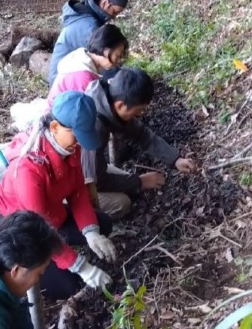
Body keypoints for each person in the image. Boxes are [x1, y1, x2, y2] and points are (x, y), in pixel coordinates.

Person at [0, 91, 116, 301]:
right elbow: (39, 228)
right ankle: (50, 264)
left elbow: (77, 191)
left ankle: (65, 252)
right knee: (70, 285)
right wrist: (81, 266)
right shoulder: (29, 169)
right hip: (23, 229)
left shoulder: (69, 147)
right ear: (55, 128)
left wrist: (90, 232)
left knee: (102, 224)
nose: (79, 143)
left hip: (51, 213)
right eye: (76, 135)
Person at [82, 67, 197, 220]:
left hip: (89, 168)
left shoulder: (107, 100)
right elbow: (94, 181)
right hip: (71, 185)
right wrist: (141, 181)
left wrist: (175, 159)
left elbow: (141, 135)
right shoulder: (94, 125)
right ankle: (74, 221)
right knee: (122, 203)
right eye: (138, 111)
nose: (140, 115)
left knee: (128, 184)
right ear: (121, 105)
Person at [48, 0, 129, 85]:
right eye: (114, 12)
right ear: (105, 3)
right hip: (64, 86)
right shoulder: (89, 27)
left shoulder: (85, 15)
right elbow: (105, 63)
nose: (113, 17)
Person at [46, 24, 128, 108]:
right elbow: (92, 108)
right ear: (105, 49)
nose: (118, 61)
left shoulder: (81, 58)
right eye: (118, 56)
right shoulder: (84, 76)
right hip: (57, 117)